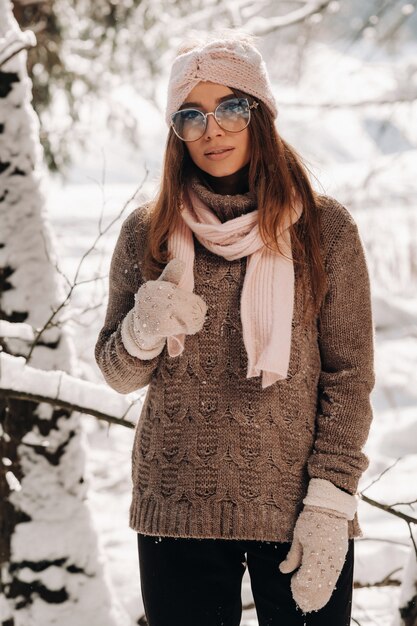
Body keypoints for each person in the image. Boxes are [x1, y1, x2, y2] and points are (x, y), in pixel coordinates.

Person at [95, 30, 375, 626]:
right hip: (177, 506)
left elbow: (349, 378)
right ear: (177, 133)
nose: (212, 129)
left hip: (298, 505)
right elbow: (117, 372)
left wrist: (330, 498)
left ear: (261, 114)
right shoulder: (147, 232)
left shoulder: (325, 232)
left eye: (230, 107)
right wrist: (143, 328)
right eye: (191, 116)